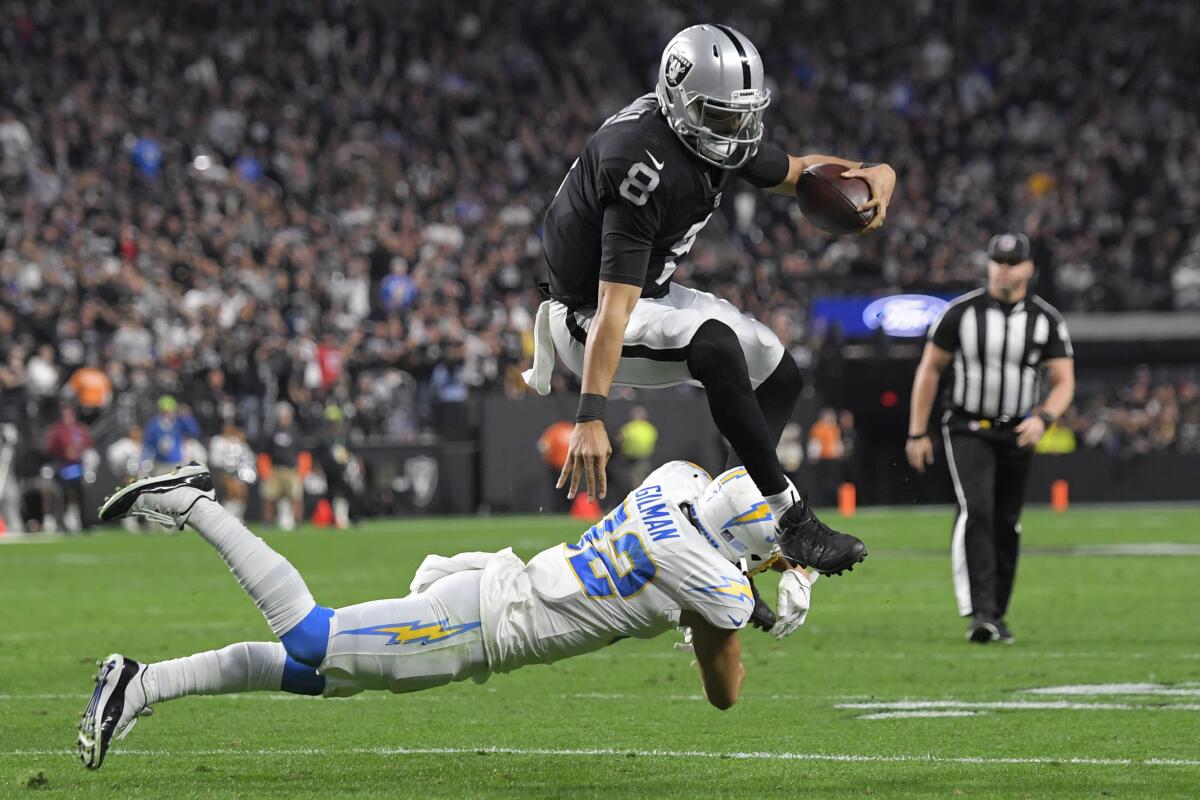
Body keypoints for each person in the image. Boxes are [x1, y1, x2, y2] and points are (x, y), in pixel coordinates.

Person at [81, 459, 844, 770]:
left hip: (497, 582)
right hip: (479, 624)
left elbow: (694, 568)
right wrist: (768, 609)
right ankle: (193, 504)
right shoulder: (718, 578)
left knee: (325, 678)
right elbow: (725, 690)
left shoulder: (680, 481)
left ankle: (139, 685)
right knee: (313, 639)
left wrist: (753, 592)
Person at [524, 24, 888, 578]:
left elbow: (797, 173)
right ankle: (791, 521)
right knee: (715, 346)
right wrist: (590, 415)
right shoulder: (641, 165)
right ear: (678, 101)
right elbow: (614, 306)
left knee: (780, 373)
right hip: (588, 317)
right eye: (721, 116)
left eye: (742, 115)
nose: (735, 131)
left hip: (649, 293)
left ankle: (722, 540)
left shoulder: (707, 129)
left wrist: (874, 172)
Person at [906, 233, 1076, 644]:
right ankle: (979, 611)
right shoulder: (961, 312)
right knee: (976, 509)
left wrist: (1044, 417)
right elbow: (929, 369)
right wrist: (917, 431)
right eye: (998, 262)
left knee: (1007, 521)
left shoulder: (1046, 319)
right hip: (968, 426)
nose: (1005, 270)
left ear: (1028, 268)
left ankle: (997, 613)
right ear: (988, 265)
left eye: (1013, 263)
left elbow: (1064, 381)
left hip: (1018, 430)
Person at [43, 405, 94, 532]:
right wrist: (64, 452)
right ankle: (62, 522)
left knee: (82, 494)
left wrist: (79, 452)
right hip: (63, 466)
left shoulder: (80, 428)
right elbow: (50, 448)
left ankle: (84, 522)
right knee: (64, 495)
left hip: (78, 467)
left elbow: (88, 444)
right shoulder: (57, 430)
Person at [259, 401, 304, 530]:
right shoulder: (271, 432)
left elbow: (303, 453)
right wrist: (265, 471)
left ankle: (298, 523)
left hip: (291, 470)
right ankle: (267, 522)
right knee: (269, 497)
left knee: (296, 498)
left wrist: (301, 471)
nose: (284, 418)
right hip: (275, 469)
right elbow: (264, 453)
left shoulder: (296, 432)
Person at [142, 395, 201, 475]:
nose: (168, 414)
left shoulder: (178, 423)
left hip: (177, 463)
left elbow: (194, 432)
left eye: (170, 411)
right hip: (160, 464)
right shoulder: (154, 424)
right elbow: (148, 443)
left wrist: (187, 417)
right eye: (165, 412)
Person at [616, 405, 658, 493]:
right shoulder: (650, 428)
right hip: (641, 459)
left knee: (637, 482)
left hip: (635, 460)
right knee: (644, 479)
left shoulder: (629, 427)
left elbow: (619, 438)